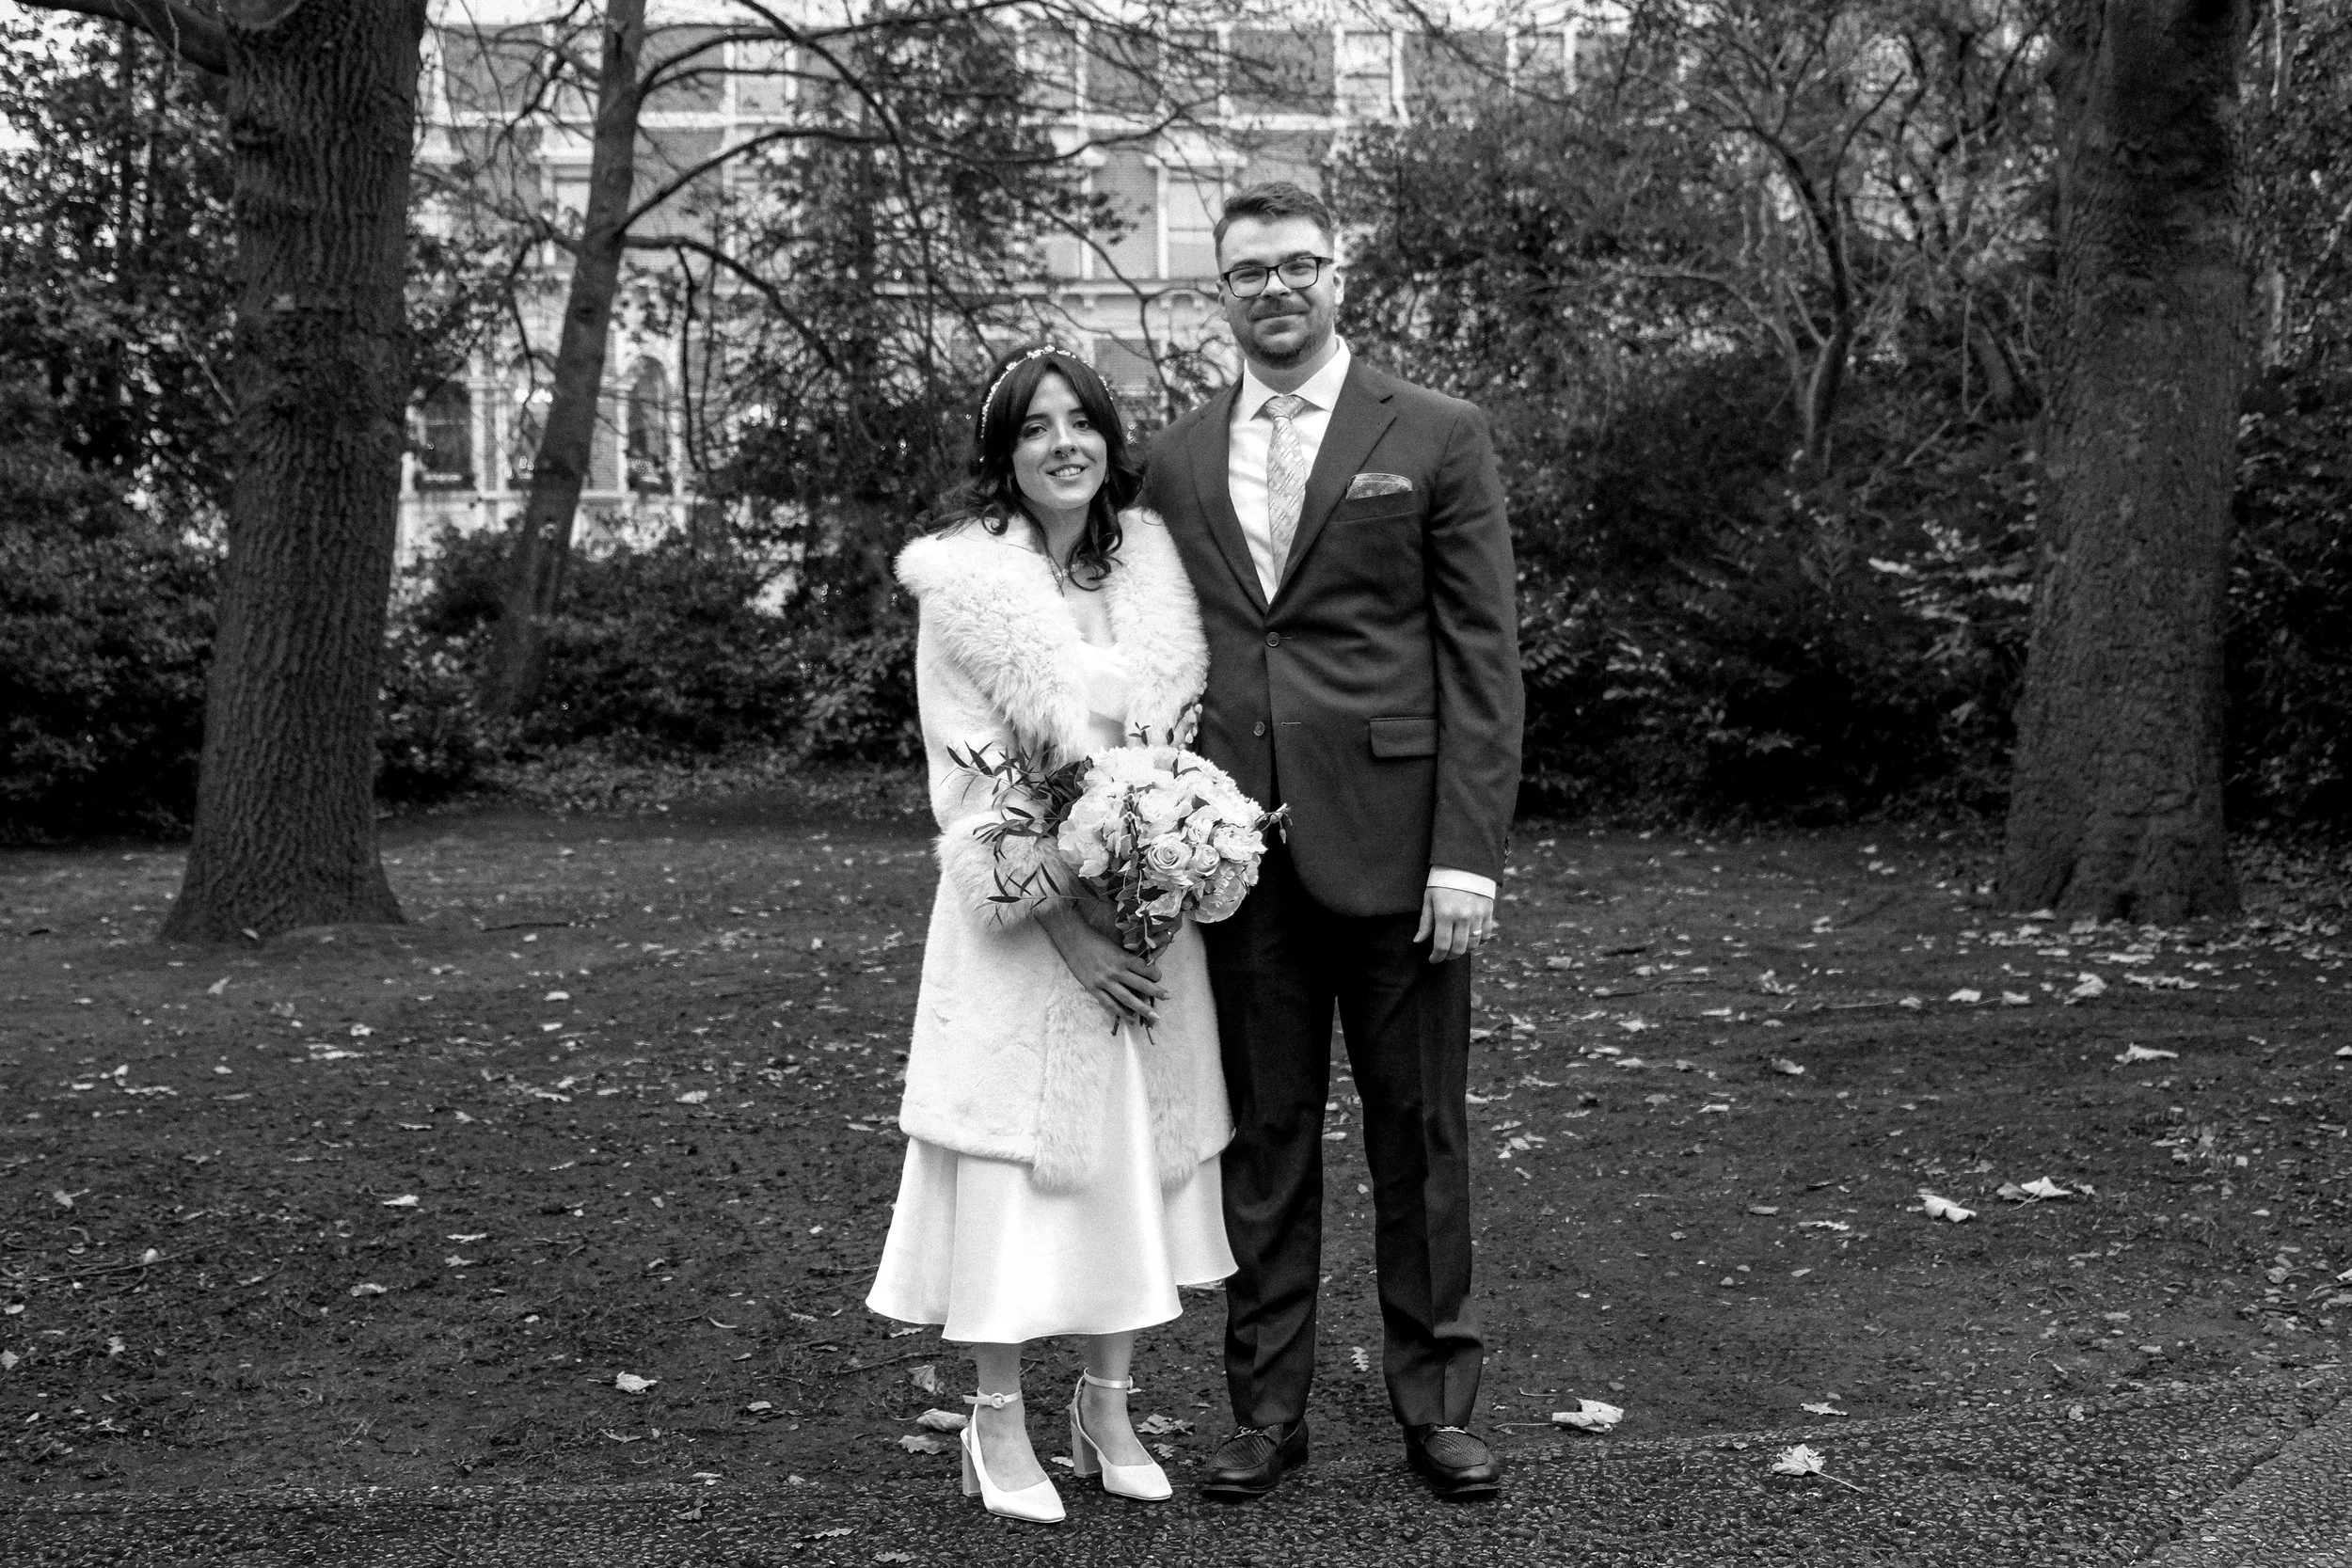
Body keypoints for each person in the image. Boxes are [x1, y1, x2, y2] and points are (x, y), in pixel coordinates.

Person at [1141, 182, 1525, 1502]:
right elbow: (1165, 648)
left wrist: (1468, 854)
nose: (1276, 289)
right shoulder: (1179, 457)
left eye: (1299, 264)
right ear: (1223, 294)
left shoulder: (1435, 433)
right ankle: (1266, 1406)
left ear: (1339, 276)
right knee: (1266, 1139)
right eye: (1249, 272)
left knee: (1422, 1133)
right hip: (1239, 860)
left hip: (1408, 853)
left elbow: (1483, 659)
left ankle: (1438, 1400)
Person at [866, 346, 1236, 1525]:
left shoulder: (1156, 568)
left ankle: (1107, 1404)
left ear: (1108, 441)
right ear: (1005, 452)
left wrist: (1178, 855)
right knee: (1015, 1172)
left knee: (1127, 1162)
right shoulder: (967, 587)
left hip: (1148, 923)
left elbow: (1178, 745)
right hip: (1024, 938)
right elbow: (963, 787)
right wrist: (1072, 930)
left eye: (1081, 422)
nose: (1062, 443)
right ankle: (995, 1420)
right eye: (1035, 428)